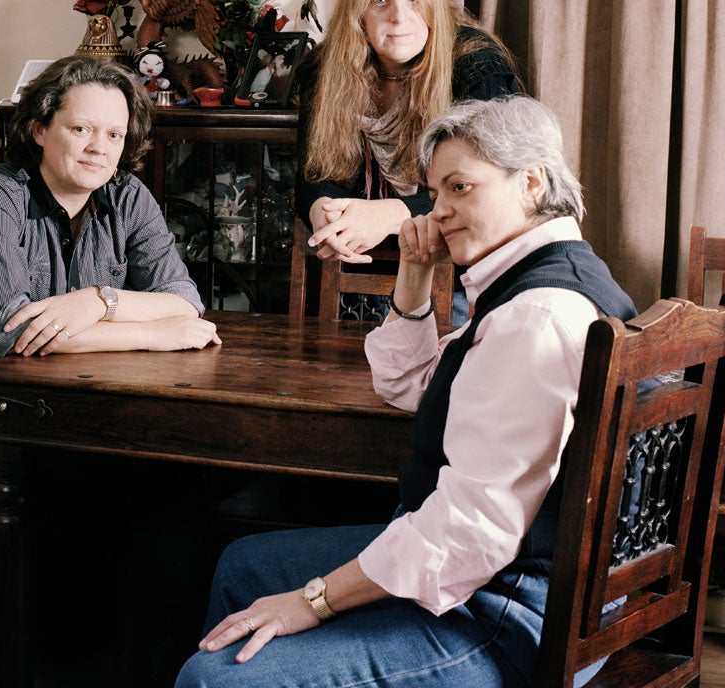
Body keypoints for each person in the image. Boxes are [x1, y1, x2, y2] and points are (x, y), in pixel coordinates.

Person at [175, 94, 636, 688]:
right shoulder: (546, 277)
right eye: (435, 192)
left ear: (531, 182)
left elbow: (470, 535)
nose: (437, 211)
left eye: (460, 187)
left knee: (214, 678)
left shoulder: (535, 316)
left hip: (509, 616)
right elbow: (407, 385)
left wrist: (313, 601)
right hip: (510, 578)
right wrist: (416, 269)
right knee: (244, 565)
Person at [0, 54, 219, 686]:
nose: (100, 147)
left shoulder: (127, 197)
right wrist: (152, 334)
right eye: (81, 129)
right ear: (40, 129)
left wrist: (99, 300)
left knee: (171, 510)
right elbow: (16, 333)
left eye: (115, 134)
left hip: (70, 424)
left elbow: (185, 299)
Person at [295, 0, 520, 266]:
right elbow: (312, 174)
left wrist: (388, 215)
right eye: (380, 1)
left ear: (432, 4)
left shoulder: (477, 65)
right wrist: (324, 212)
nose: (399, 16)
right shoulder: (324, 68)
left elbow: (487, 186)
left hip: (467, 265)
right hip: (365, 261)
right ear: (359, 15)